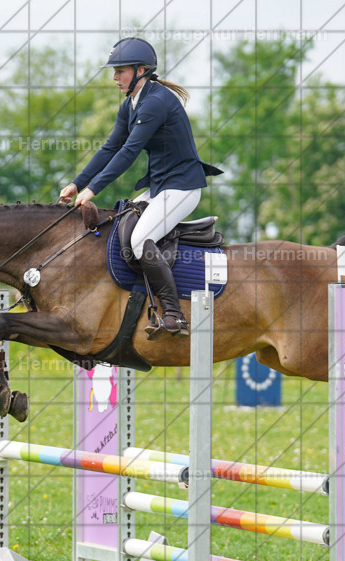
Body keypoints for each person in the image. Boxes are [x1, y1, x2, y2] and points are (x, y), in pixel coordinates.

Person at [59, 37, 221, 339]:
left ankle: (174, 315)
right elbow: (110, 147)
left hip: (183, 188)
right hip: (162, 187)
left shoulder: (156, 102)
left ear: (141, 70)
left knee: (139, 240)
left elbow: (128, 152)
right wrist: (77, 183)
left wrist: (92, 190)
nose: (114, 78)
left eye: (120, 71)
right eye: (114, 71)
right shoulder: (131, 105)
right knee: (121, 227)